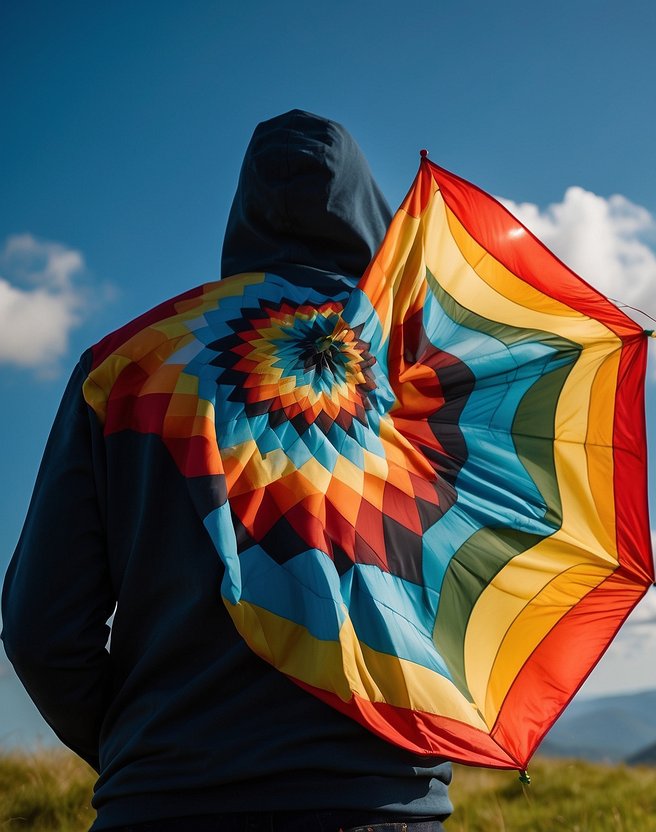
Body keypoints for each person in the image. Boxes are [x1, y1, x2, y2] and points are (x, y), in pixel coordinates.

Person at [2, 110, 452, 832]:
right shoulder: (420, 370)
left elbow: (40, 630)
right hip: (377, 802)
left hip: (160, 797)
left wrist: (144, 750)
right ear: (372, 212)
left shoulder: (123, 368)